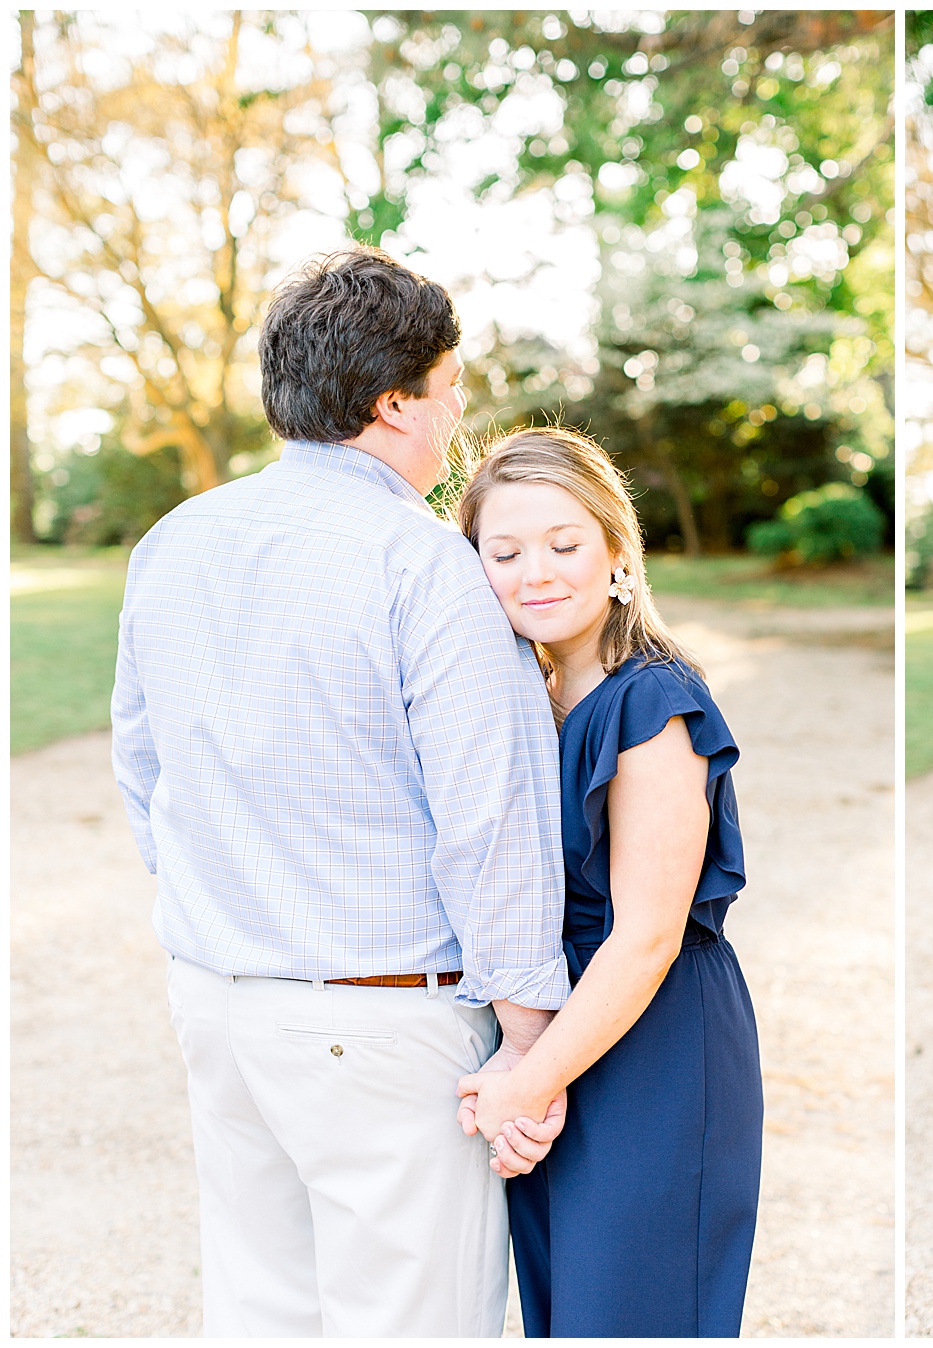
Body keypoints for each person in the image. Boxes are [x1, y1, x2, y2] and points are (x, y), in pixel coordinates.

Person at [111, 247, 570, 1336]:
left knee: (262, 1310)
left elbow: (142, 767)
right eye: (450, 388)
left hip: (219, 997)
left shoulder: (173, 544)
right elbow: (489, 820)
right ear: (393, 403)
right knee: (417, 1320)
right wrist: (531, 1042)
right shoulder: (425, 564)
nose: (457, 416)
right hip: (381, 1018)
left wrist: (228, 906)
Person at [453, 426, 763, 1338]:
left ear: (618, 554)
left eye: (565, 544)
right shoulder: (526, 696)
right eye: (505, 553)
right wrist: (524, 1057)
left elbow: (648, 937)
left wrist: (527, 1081)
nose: (535, 574)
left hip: (652, 1047)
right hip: (558, 1032)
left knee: (632, 1316)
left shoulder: (650, 702)